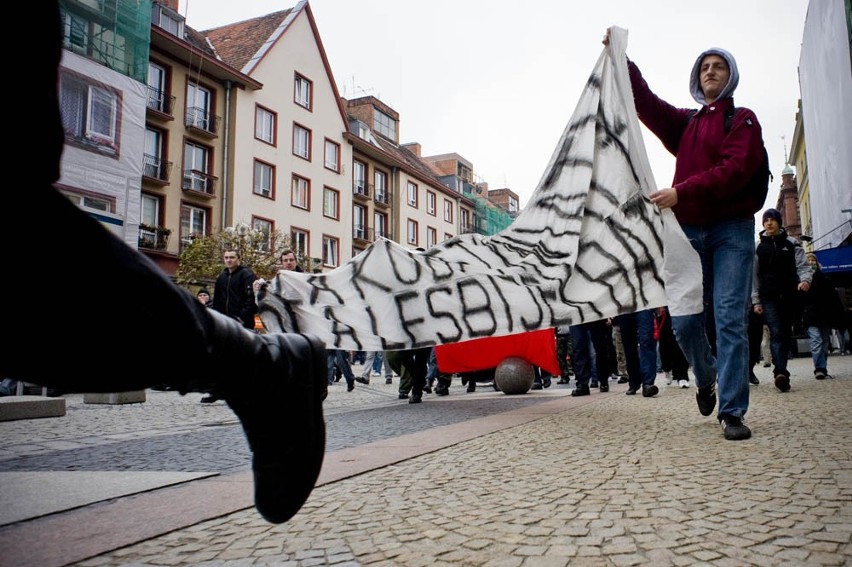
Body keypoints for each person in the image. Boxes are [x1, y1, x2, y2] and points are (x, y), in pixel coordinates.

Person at [8, 0, 328, 526]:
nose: (227, 255)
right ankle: (260, 367)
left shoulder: (247, 273)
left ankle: (261, 367)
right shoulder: (228, 274)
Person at [608, 31, 768, 440]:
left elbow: (737, 168)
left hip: (731, 229)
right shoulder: (687, 123)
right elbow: (648, 104)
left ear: (730, 76)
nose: (710, 71)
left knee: (728, 319)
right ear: (697, 79)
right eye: (704, 67)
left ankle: (732, 411)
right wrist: (622, 58)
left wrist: (683, 191)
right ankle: (705, 374)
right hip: (687, 232)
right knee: (682, 321)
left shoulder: (743, 118)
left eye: (718, 66)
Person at [751, 208, 812, 392]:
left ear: (779, 222)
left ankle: (781, 369)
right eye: (766, 220)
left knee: (785, 332)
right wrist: (756, 301)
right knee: (776, 331)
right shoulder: (757, 247)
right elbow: (753, 276)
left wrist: (805, 280)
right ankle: (781, 372)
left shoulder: (792, 244)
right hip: (768, 296)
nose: (769, 223)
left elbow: (803, 266)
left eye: (772, 220)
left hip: (790, 296)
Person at [202, 248, 259, 404]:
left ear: (238, 258)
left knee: (243, 359)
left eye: (232, 257)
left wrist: (240, 317)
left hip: (243, 323)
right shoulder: (221, 277)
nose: (229, 260)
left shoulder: (247, 275)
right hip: (225, 324)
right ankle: (216, 390)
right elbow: (218, 301)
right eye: (226, 257)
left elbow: (252, 299)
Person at [802, 252, 845, 380]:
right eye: (808, 261)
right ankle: (819, 369)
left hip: (824, 315)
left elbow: (833, 298)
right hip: (810, 315)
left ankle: (823, 367)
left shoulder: (825, 278)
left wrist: (837, 315)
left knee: (825, 342)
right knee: (816, 340)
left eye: (813, 260)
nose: (811, 263)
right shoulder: (802, 280)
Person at [616, 309, 659, 397]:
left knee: (647, 339)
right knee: (629, 343)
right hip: (624, 305)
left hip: (644, 304)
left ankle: (648, 383)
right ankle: (634, 380)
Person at [568, 319, 611, 396]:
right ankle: (582, 384)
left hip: (594, 315)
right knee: (578, 347)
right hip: (577, 315)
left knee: (600, 347)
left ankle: (603, 379)